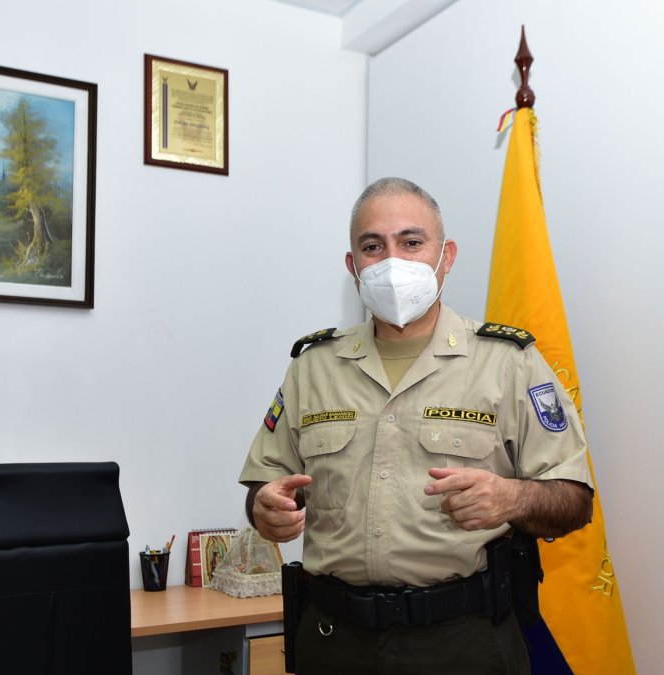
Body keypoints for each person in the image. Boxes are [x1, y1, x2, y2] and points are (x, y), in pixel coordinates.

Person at [238, 177, 594, 675]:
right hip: (334, 640)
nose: (392, 262)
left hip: (462, 642)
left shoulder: (508, 362)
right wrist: (265, 506)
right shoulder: (313, 365)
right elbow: (265, 482)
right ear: (353, 266)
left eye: (411, 242)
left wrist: (512, 498)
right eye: (372, 247)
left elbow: (575, 499)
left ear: (445, 256)